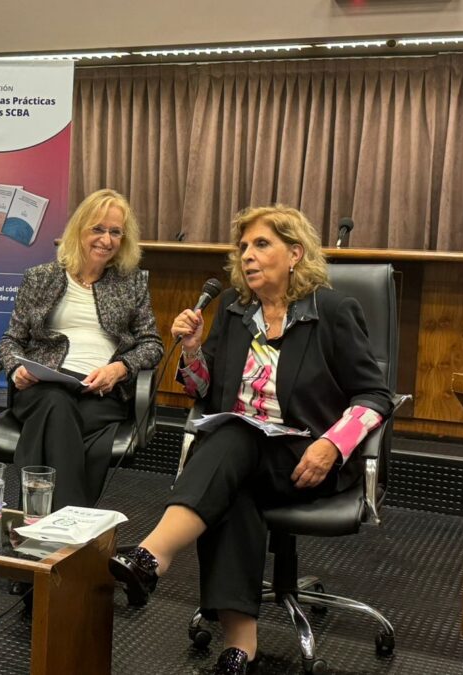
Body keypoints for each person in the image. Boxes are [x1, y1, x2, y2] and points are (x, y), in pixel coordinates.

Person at [108, 205, 393, 675]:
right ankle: (241, 647)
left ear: (295, 253)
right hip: (239, 458)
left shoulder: (334, 311)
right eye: (243, 247)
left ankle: (152, 555)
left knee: (231, 438)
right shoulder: (236, 314)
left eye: (262, 245)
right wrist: (195, 349)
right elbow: (203, 391)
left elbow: (375, 395)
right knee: (233, 469)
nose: (247, 256)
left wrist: (333, 445)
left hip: (306, 460)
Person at [0, 189, 163, 510]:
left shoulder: (131, 282)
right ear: (79, 230)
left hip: (100, 393)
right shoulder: (40, 278)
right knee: (55, 401)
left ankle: (34, 518)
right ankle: (70, 524)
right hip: (42, 385)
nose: (107, 239)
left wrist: (120, 369)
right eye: (98, 229)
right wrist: (15, 369)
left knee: (56, 414)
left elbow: (152, 344)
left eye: (116, 232)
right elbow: (10, 340)